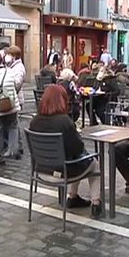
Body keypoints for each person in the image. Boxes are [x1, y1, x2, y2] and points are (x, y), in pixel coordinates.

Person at [29, 85, 102, 217]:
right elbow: (78, 148)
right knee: (93, 163)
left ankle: (73, 198)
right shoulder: (64, 122)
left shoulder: (34, 122)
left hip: (41, 170)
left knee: (73, 160)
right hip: (63, 172)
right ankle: (95, 202)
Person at [6, 45, 26, 153]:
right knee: (13, 123)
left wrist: (7, 84)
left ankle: (17, 147)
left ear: (15, 56)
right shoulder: (10, 66)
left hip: (16, 98)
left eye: (9, 54)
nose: (7, 56)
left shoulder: (19, 68)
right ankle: (16, 146)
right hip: (11, 98)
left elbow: (17, 84)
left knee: (14, 124)